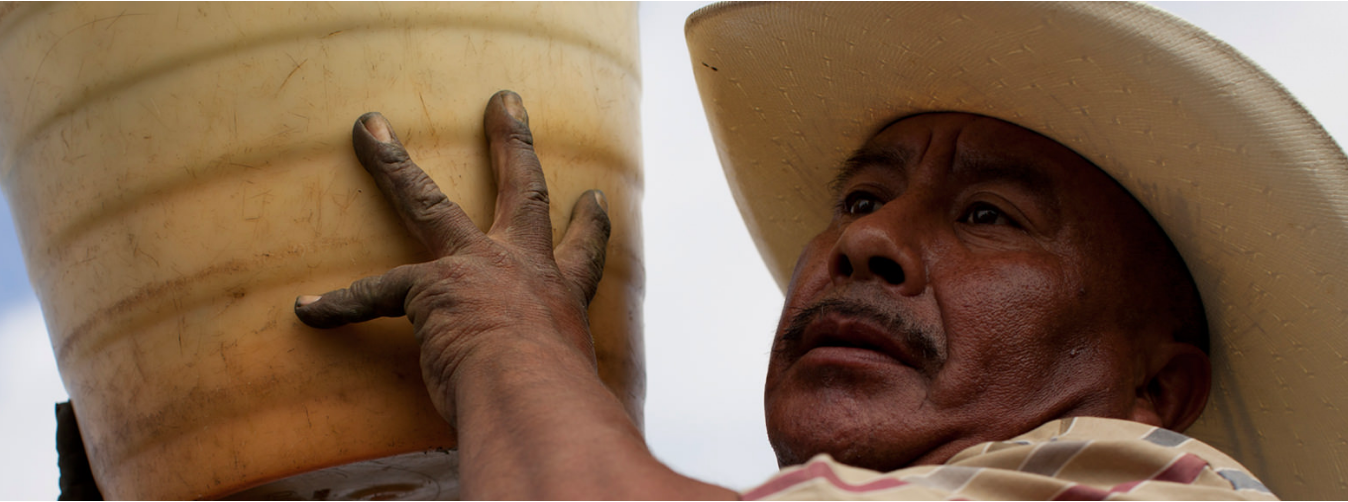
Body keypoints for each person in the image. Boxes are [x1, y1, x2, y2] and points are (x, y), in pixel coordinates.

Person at [295, 3, 1348, 500]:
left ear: (1155, 390)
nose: (868, 240)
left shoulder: (1168, 491)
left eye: (989, 216)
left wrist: (507, 342)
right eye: (860, 197)